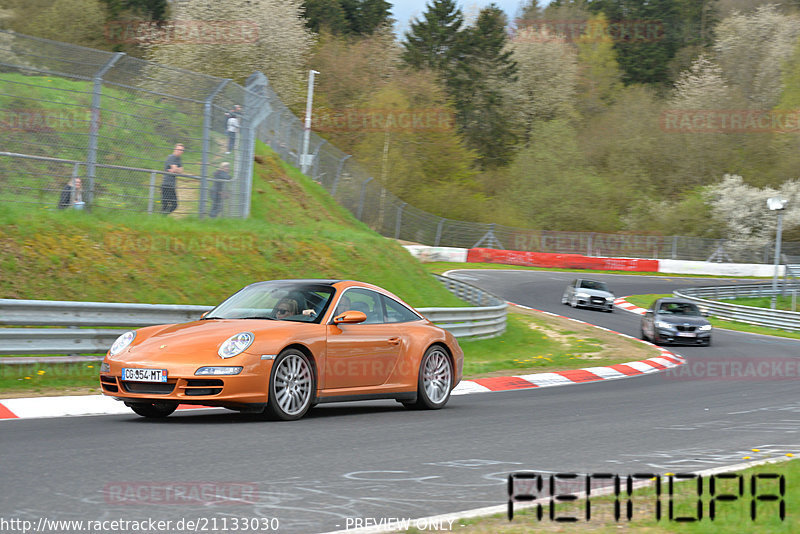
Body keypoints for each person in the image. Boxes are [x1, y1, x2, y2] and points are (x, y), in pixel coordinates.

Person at [162, 143, 184, 214]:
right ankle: (162, 218)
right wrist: (176, 170)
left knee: (174, 205)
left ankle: (163, 217)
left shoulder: (178, 159)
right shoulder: (171, 157)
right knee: (166, 205)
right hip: (166, 185)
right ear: (175, 149)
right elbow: (176, 170)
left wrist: (175, 170)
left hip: (172, 185)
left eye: (181, 150)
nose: (180, 151)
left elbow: (181, 171)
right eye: (178, 149)